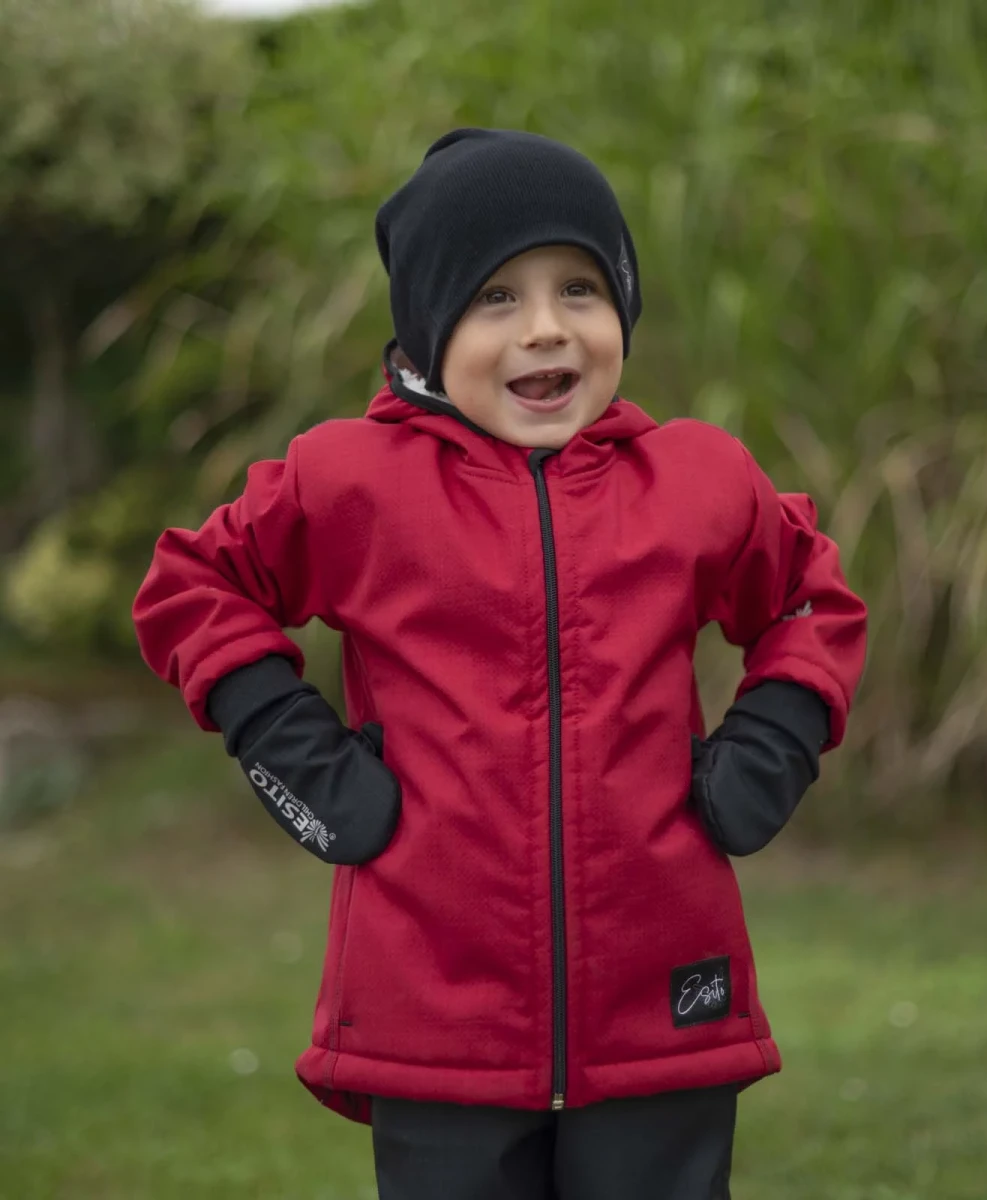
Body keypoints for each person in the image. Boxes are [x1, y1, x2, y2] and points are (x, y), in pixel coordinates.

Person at [132, 127, 868, 1200]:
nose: (545, 328)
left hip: (664, 1005)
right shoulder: (346, 482)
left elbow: (812, 596)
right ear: (428, 327)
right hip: (434, 1020)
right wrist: (293, 753)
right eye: (495, 297)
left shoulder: (700, 478)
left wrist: (775, 742)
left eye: (579, 288)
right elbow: (192, 584)